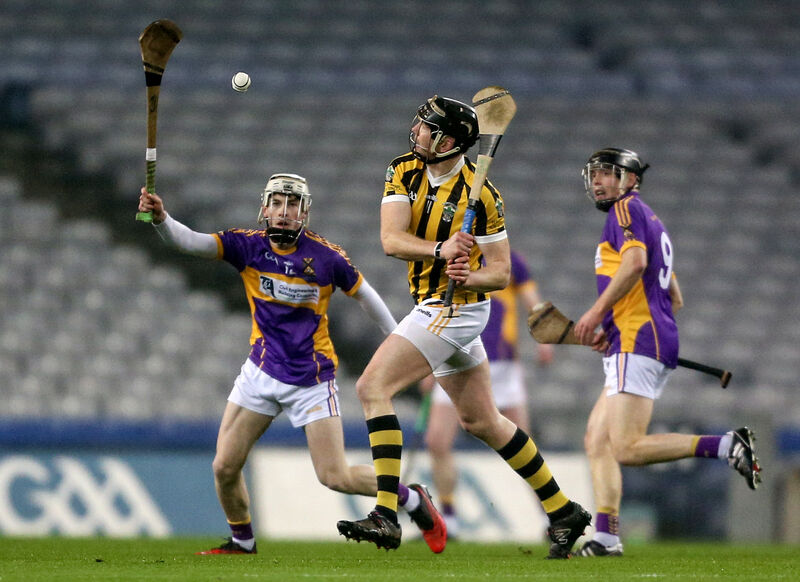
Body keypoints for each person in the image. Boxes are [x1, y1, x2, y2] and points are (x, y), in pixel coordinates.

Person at [137, 173, 447, 555]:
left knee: (336, 476)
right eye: (278, 204)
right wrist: (161, 219)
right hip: (260, 372)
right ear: (265, 208)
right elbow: (189, 242)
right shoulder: (245, 246)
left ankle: (412, 499)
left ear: (305, 212)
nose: (285, 213)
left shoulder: (327, 257)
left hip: (311, 381)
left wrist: (406, 345)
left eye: (293, 205)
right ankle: (243, 542)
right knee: (224, 467)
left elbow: (368, 298)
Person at [336, 95, 591, 558]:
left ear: (449, 141)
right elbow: (391, 241)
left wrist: (468, 274)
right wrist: (440, 250)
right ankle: (564, 512)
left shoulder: (484, 195)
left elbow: (501, 272)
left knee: (372, 387)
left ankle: (386, 515)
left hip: (460, 308)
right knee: (483, 421)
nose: (416, 130)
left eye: (426, 127)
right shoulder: (403, 169)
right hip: (432, 302)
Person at [573, 148, 762, 558]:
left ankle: (726, 445)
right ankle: (606, 537)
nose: (599, 181)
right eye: (596, 174)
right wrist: (617, 325)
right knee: (597, 440)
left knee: (625, 447)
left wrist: (598, 315)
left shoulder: (624, 212)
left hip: (637, 340)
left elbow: (636, 264)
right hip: (643, 337)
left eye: (609, 173)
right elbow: (674, 297)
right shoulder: (650, 219)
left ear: (631, 179)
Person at [423, 250, 554, 538]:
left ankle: (552, 515)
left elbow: (532, 302)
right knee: (436, 441)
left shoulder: (509, 259)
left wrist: (544, 336)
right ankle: (449, 519)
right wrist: (429, 360)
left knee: (524, 445)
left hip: (502, 365)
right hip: (456, 359)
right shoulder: (449, 257)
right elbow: (436, 308)